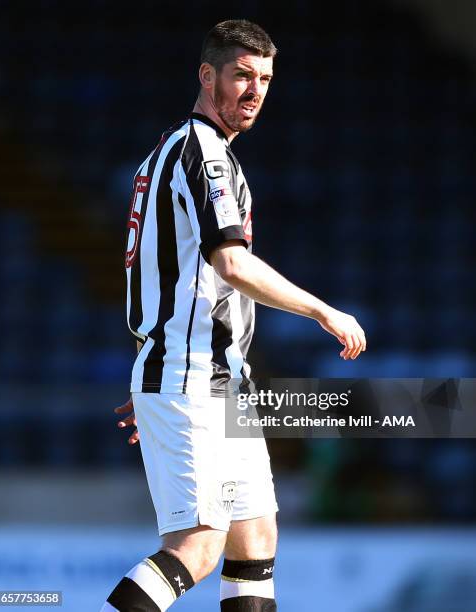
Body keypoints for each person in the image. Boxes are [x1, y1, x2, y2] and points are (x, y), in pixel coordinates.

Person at [101, 19, 366, 612]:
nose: (254, 90)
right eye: (242, 74)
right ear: (207, 75)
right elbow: (231, 264)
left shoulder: (181, 151)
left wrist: (160, 381)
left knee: (255, 538)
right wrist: (322, 310)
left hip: (211, 382)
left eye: (265, 79)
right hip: (191, 378)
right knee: (198, 548)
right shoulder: (203, 151)